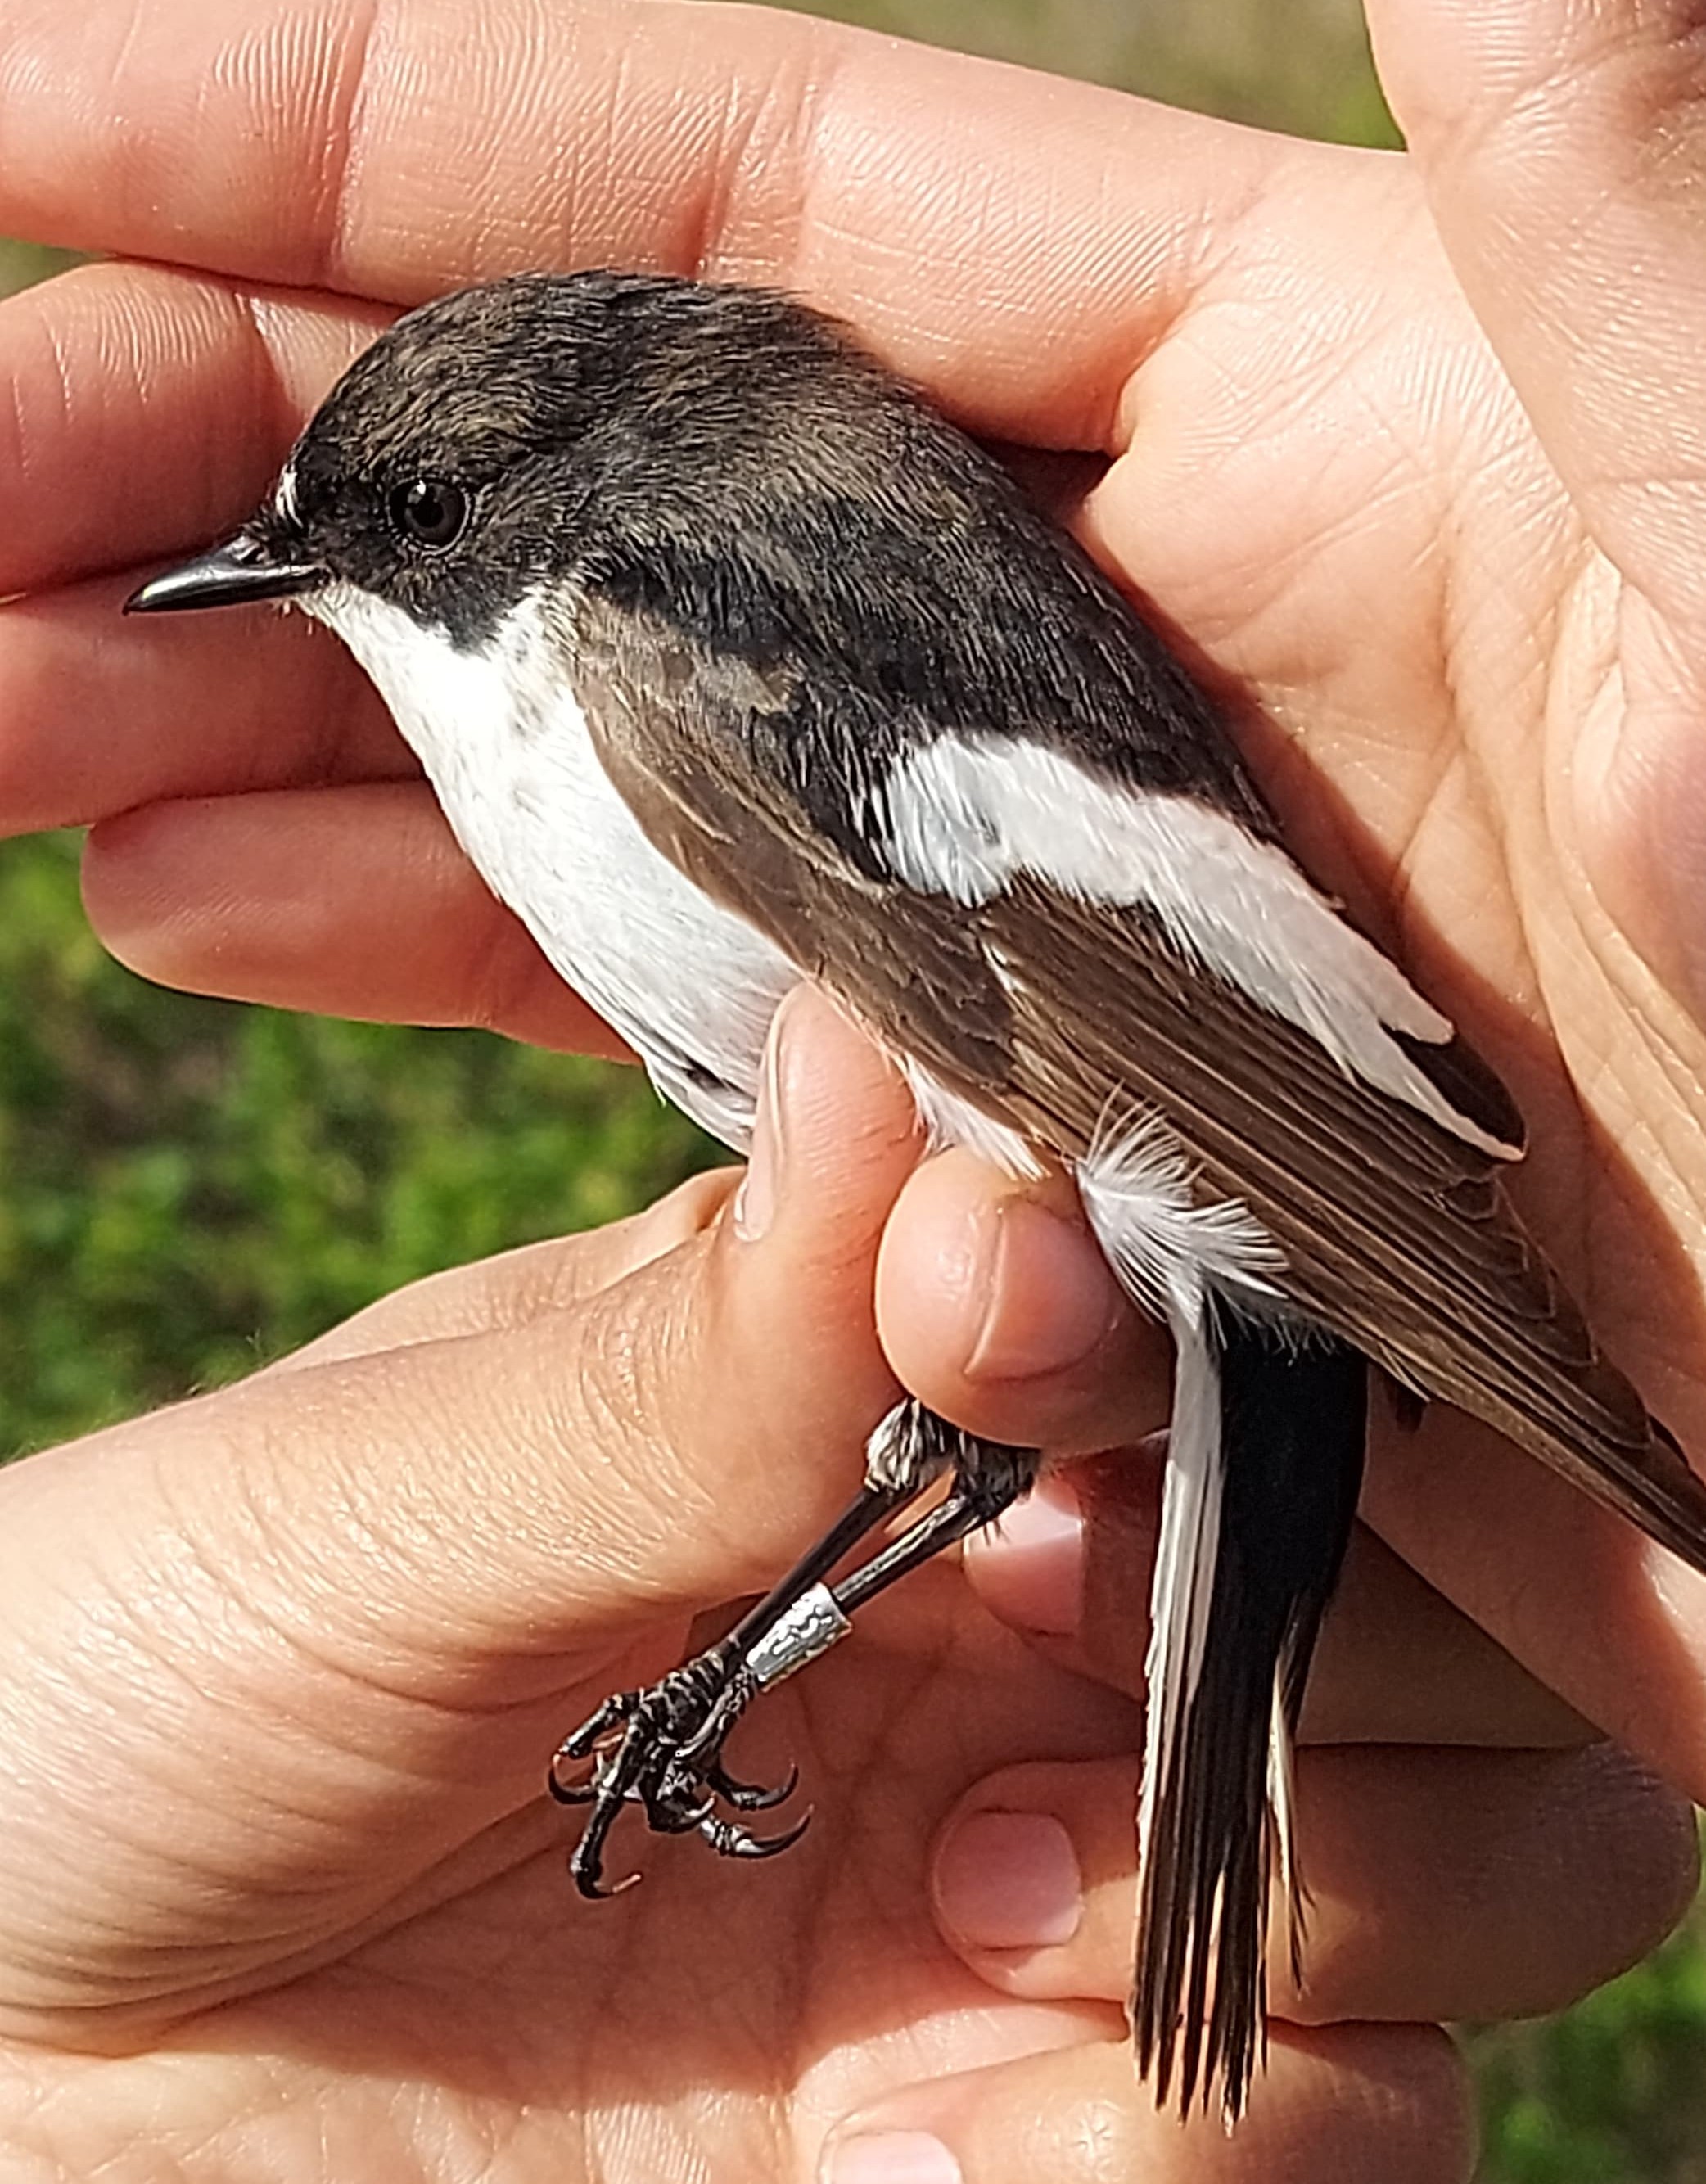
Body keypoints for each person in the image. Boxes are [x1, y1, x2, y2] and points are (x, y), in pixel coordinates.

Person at [0, 0, 1702, 2174]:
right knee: (969, 1375)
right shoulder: (635, 598)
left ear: (532, 511)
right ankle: (764, 1651)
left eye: (398, 517)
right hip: (1135, 1158)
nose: (305, 572)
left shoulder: (658, 612)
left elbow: (1099, 955)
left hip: (1207, 1120)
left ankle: (766, 1654)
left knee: (982, 1364)